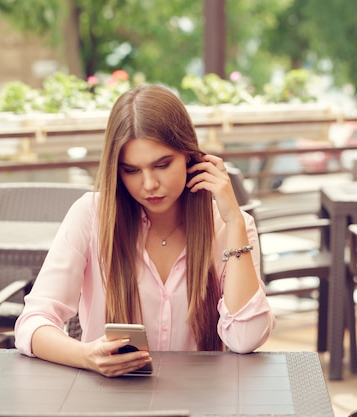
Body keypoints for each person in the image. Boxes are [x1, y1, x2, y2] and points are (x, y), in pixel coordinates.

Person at [14, 83, 276, 377]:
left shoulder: (229, 228)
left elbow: (246, 338)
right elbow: (32, 323)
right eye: (131, 170)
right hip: (109, 403)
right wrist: (85, 355)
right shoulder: (91, 216)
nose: (149, 184)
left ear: (191, 157)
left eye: (162, 165)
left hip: (199, 400)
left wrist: (235, 222)